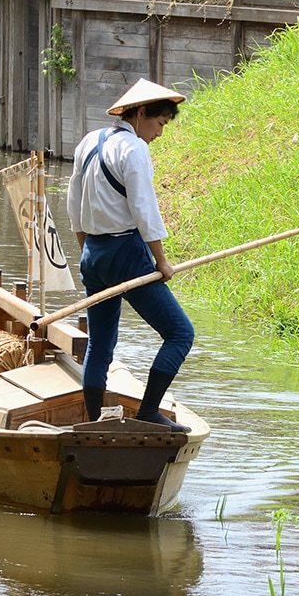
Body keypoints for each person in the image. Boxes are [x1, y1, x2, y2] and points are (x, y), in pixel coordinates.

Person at [66, 79, 194, 431]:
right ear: (139, 114)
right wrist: (162, 261)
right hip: (125, 253)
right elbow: (144, 208)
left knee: (101, 342)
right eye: (159, 124)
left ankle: (92, 424)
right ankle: (150, 411)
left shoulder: (89, 141)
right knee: (180, 334)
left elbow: (73, 203)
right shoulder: (133, 149)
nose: (159, 133)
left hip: (93, 254)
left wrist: (87, 250)